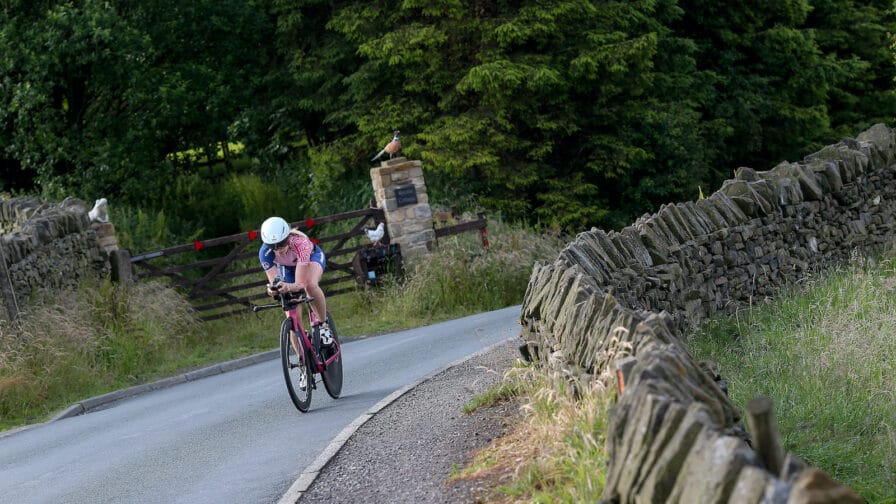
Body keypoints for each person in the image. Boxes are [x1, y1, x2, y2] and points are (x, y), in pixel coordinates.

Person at [258, 216, 332, 345]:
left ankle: (323, 325)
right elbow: (274, 280)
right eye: (273, 246)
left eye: (281, 244)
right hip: (288, 267)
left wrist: (290, 287)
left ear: (287, 238)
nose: (278, 249)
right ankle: (301, 358)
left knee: (310, 286)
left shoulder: (300, 243)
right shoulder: (264, 253)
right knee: (292, 317)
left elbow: (300, 284)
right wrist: (274, 289)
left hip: (311, 259)